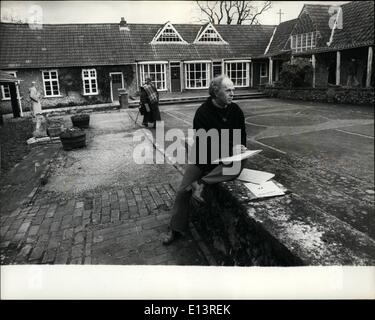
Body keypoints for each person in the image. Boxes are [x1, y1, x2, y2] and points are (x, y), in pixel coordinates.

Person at [162, 75, 247, 245]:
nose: (232, 94)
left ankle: (201, 183)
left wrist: (241, 147)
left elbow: (242, 135)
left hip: (225, 160)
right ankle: (176, 229)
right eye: (228, 90)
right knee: (182, 191)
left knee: (239, 164)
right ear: (216, 92)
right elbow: (203, 143)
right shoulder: (203, 112)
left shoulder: (235, 110)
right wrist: (230, 148)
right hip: (203, 158)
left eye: (233, 90)